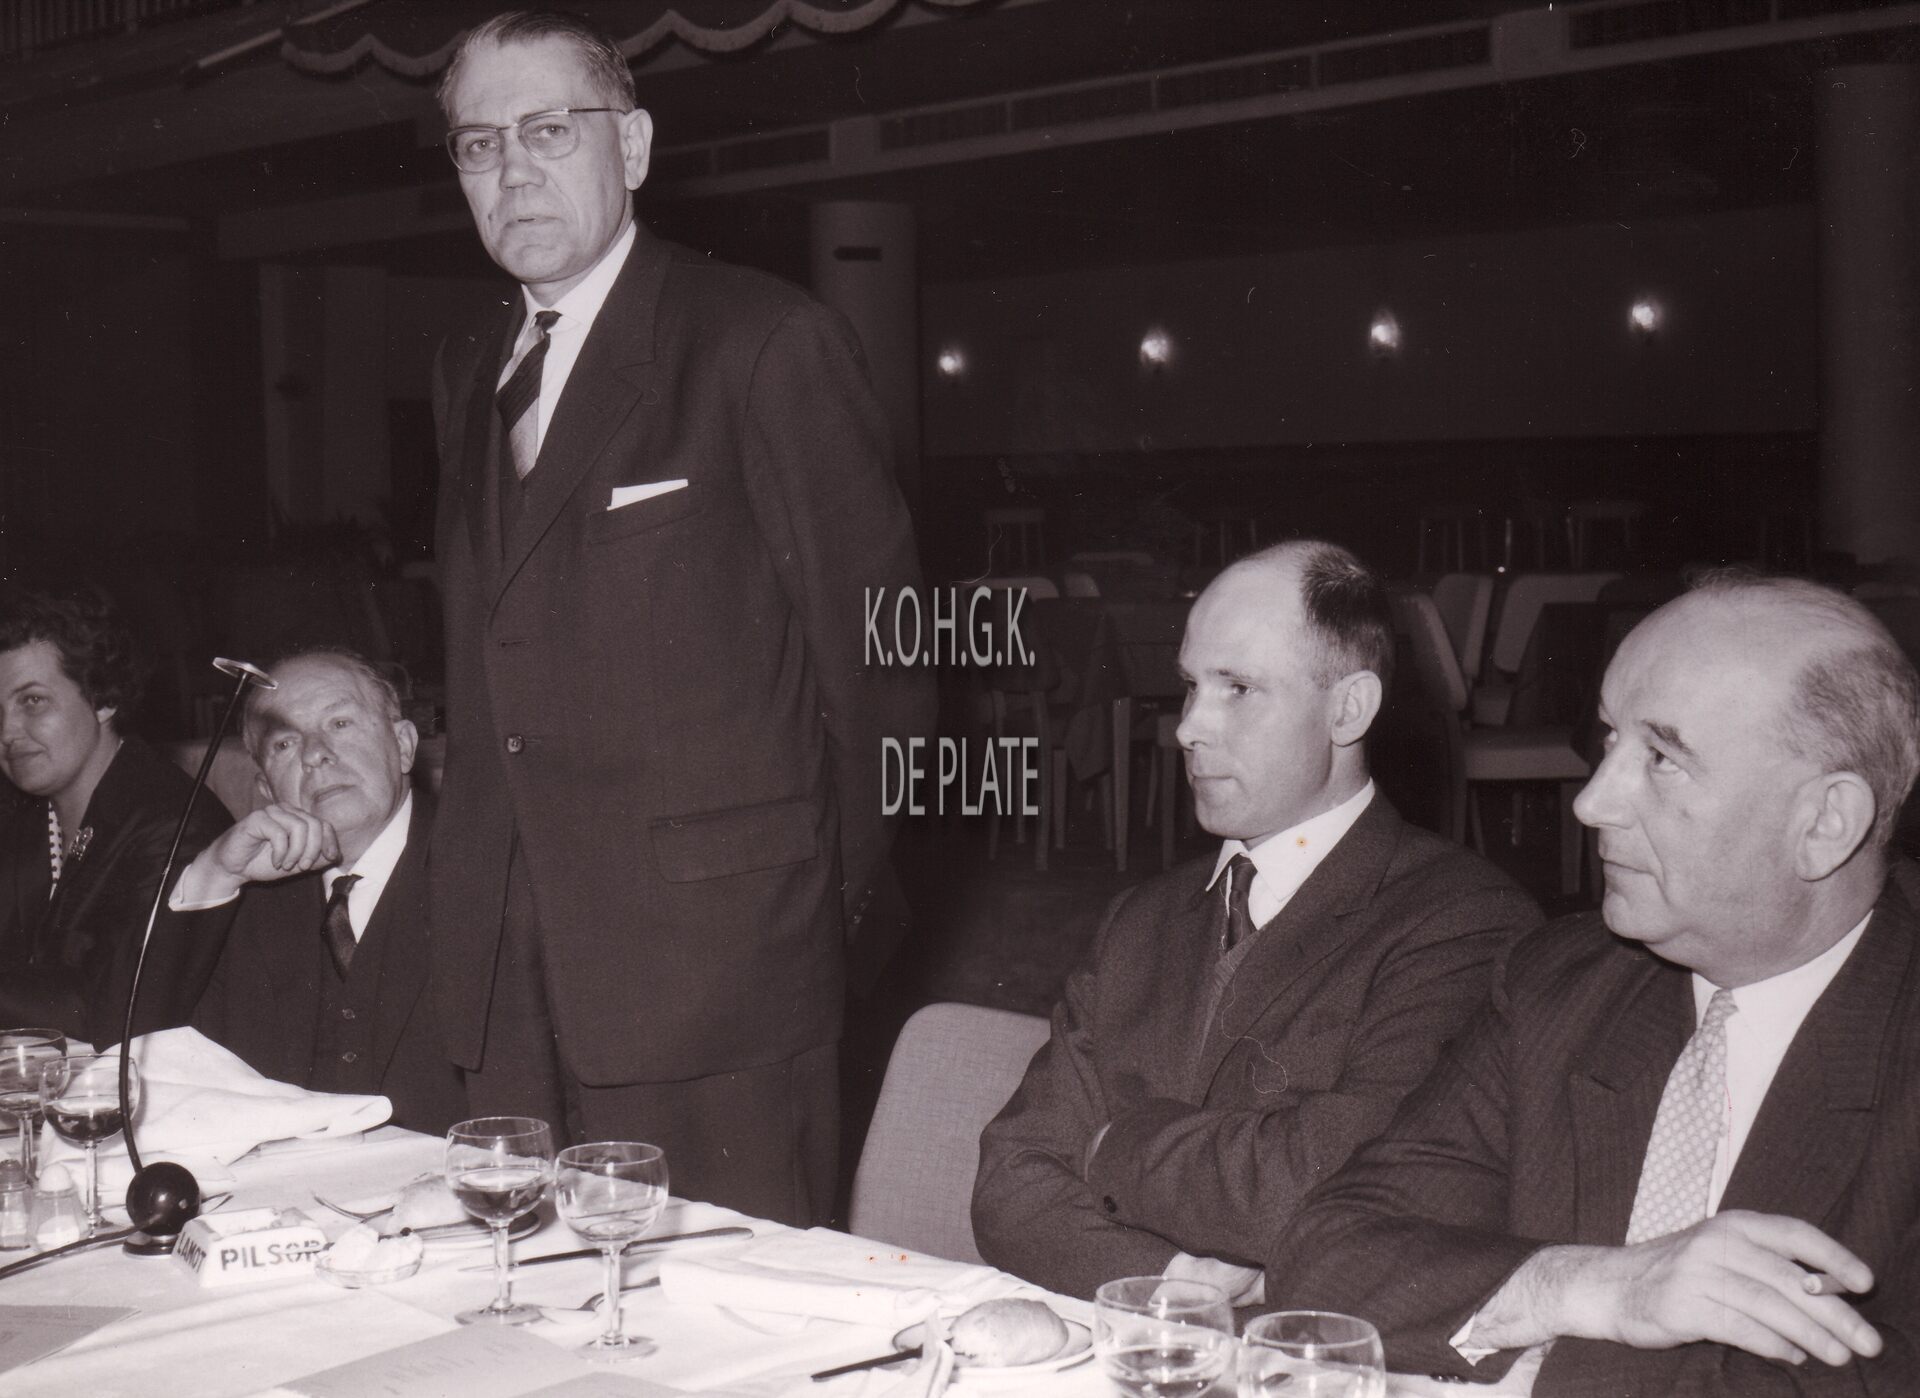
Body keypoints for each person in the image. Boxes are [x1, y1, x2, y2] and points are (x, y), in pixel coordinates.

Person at [428, 10, 930, 1224]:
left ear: (636, 146)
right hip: (508, 969)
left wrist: (800, 922)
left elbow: (886, 670)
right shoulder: (468, 365)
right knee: (530, 1298)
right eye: (479, 144)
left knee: (723, 1308)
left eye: (550, 130)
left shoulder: (761, 340)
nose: (512, 170)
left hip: (720, 975)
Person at [1271, 574, 1920, 1395]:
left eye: (1663, 759)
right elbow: (1328, 1262)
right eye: (1610, 739)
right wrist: (1596, 1288)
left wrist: (1539, 1351)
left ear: (1825, 823)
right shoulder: (1563, 983)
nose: (1591, 802)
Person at [971, 542, 1539, 1301]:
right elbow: (1010, 1181)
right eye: (1191, 686)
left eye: (1238, 688)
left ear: (1348, 709)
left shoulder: (1464, 924)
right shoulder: (1141, 920)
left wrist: (1113, 1143)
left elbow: (1343, 1188)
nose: (1188, 728)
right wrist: (1178, 1286)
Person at [180, 651, 465, 1135]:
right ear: (267, 789)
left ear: (403, 746)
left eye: (339, 723)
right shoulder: (241, 901)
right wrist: (213, 876)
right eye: (285, 743)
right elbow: (140, 1050)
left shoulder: (490, 875)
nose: (315, 753)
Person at [0, 585, 228, 1046]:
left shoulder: (176, 824)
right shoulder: (23, 819)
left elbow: (104, 1009)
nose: (7, 732)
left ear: (104, 698)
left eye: (32, 701)